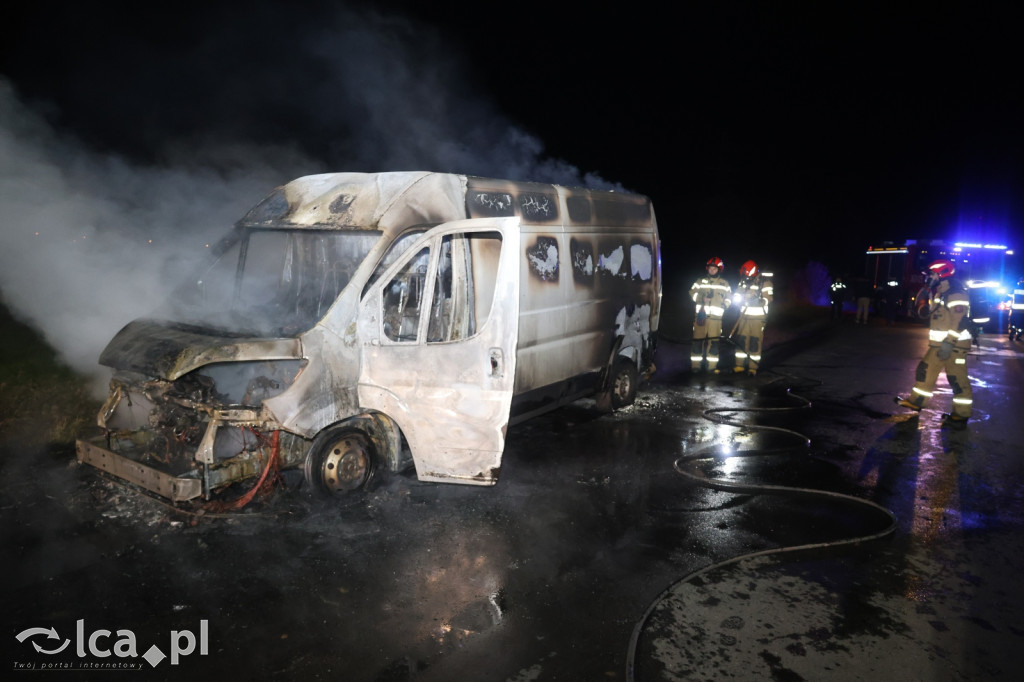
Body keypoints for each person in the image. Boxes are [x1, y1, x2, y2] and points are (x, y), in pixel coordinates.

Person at [894, 259, 973, 428]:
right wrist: (922, 298)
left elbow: (959, 322)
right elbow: (927, 315)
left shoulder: (956, 293)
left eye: (931, 274)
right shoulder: (940, 292)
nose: (929, 277)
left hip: (955, 346)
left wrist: (950, 343)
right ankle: (916, 402)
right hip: (939, 345)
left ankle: (961, 416)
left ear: (942, 273)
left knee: (957, 380)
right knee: (925, 371)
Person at [688, 257, 732, 373]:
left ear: (719, 269)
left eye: (714, 268)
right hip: (701, 318)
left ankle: (711, 367)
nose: (712, 270)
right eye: (710, 268)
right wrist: (701, 298)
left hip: (716, 319)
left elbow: (729, 298)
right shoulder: (700, 281)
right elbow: (691, 292)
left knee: (714, 343)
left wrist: (725, 305)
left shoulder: (725, 283)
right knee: (697, 341)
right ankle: (695, 366)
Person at [731, 260, 772, 375]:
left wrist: (758, 300)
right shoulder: (742, 283)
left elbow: (768, 299)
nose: (745, 277)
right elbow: (737, 296)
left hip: (758, 319)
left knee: (755, 342)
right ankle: (739, 365)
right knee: (741, 341)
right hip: (743, 317)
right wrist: (739, 298)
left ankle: (752, 368)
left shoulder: (764, 283)